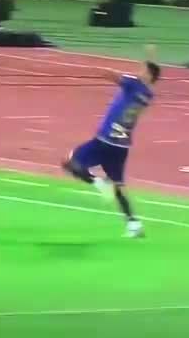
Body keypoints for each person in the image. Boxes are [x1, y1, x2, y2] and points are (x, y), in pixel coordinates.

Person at [61, 45, 160, 238]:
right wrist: (151, 56)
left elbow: (111, 75)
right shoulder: (148, 95)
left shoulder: (133, 84)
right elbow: (151, 73)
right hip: (121, 146)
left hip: (105, 140)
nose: (139, 71)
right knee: (118, 186)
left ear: (148, 74)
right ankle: (133, 223)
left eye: (142, 70)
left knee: (70, 163)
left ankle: (98, 182)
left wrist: (95, 68)